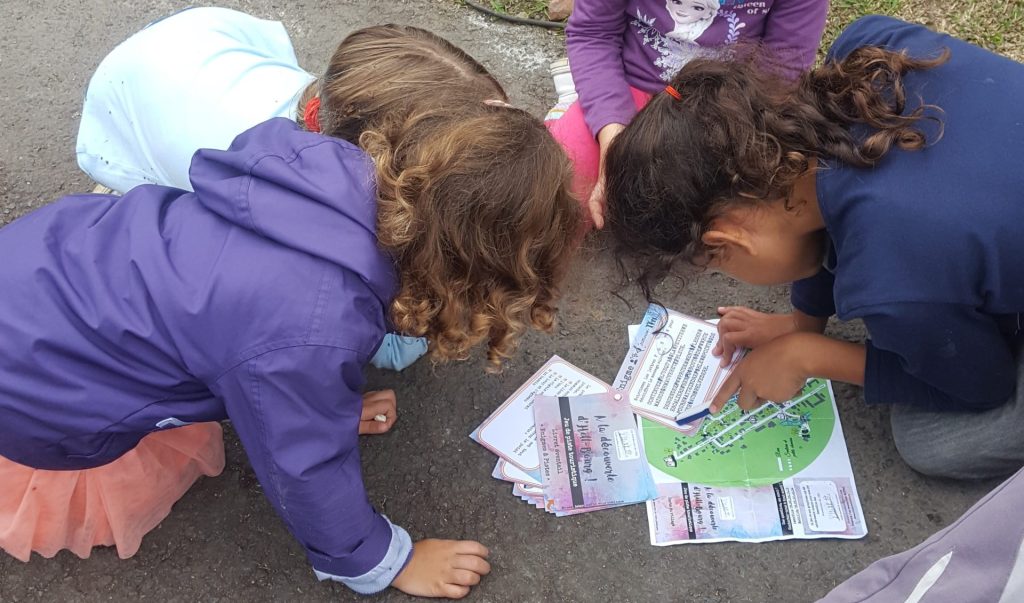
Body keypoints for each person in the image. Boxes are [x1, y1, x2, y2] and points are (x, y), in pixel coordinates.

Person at [0, 20, 580, 602]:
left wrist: (316, 394)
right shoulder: (311, 332)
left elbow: (247, 329)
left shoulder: (312, 164)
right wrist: (383, 561)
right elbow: (304, 468)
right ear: (460, 267)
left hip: (44, 271)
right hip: (37, 392)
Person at [604, 15, 1024, 480]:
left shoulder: (893, 281)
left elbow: (984, 386)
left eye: (719, 267)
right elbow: (821, 230)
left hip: (941, 285)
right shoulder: (864, 47)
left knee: (931, 443)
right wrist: (801, 322)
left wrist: (810, 354)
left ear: (725, 242)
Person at [75, 8, 509, 371]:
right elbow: (378, 338)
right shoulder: (263, 201)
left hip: (199, 36)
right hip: (124, 112)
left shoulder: (343, 122)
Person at [547, 0, 828, 228]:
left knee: (774, 218)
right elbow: (593, 33)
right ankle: (578, 99)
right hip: (626, 88)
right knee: (554, 198)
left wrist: (728, 141)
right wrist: (613, 141)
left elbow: (780, 73)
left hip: (729, 106)